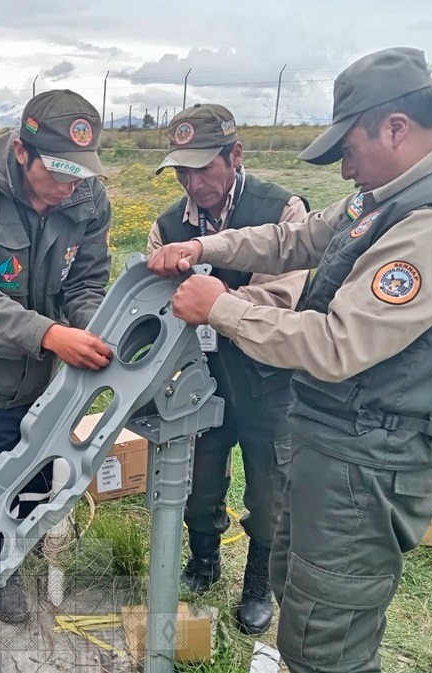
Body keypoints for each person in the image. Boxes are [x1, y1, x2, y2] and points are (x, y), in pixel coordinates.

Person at [148, 47, 432, 673]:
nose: (344, 168)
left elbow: (339, 343)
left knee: (326, 642)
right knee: (302, 595)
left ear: (396, 128)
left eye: (349, 149)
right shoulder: (386, 196)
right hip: (332, 439)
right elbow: (296, 239)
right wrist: (205, 246)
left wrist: (221, 307)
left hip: (366, 462)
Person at [0, 89, 113, 623]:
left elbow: (85, 282)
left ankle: (26, 547)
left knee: (36, 472)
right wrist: (52, 335)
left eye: (79, 174)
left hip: (43, 380)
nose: (68, 187)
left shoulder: (87, 198)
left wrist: (93, 329)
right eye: (58, 173)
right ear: (21, 151)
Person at [147, 103, 309, 634]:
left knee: (270, 486)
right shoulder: (167, 226)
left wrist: (215, 303)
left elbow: (280, 299)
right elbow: (158, 305)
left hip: (269, 378)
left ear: (235, 155)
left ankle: (258, 581)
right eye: (182, 172)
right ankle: (204, 559)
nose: (193, 184)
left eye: (203, 168)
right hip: (201, 377)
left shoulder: (282, 210)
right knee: (198, 478)